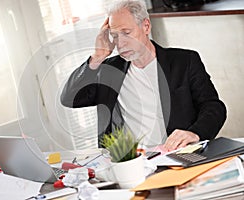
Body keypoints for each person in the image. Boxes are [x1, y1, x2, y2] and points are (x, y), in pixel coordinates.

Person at [60, 0, 226, 151]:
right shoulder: (108, 70)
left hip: (176, 153)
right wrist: (97, 57)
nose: (120, 43)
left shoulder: (184, 61)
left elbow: (214, 107)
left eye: (126, 32)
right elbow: (69, 99)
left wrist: (195, 133)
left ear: (146, 26)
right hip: (129, 162)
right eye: (115, 35)